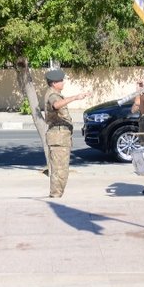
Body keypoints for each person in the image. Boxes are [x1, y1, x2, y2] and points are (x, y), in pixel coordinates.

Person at [43, 68, 88, 198]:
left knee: (61, 169)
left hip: (61, 138)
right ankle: (55, 196)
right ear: (53, 83)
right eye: (60, 81)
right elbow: (56, 105)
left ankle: (57, 195)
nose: (63, 83)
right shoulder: (52, 95)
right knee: (59, 170)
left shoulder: (55, 93)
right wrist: (75, 97)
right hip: (58, 137)